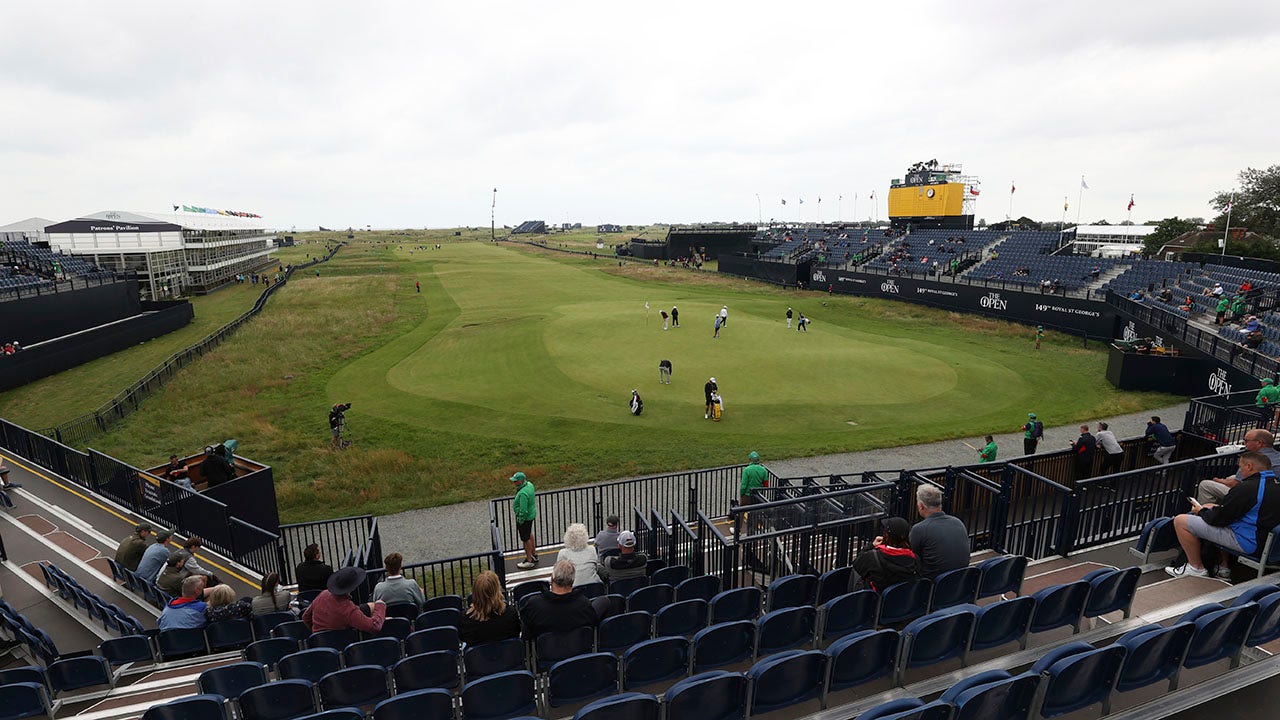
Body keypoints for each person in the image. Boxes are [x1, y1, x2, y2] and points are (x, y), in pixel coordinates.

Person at [1166, 451, 1280, 579]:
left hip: (1250, 543)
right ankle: (1223, 567)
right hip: (1272, 543)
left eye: (1240, 467)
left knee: (1181, 521)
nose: (1240, 471)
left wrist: (1201, 511)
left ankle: (1196, 568)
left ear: (1249, 466)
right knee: (1211, 507)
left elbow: (1218, 520)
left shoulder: (1246, 488)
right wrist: (1209, 509)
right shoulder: (1275, 483)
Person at [520, 560, 599, 639]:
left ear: (552, 579)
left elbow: (526, 629)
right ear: (572, 581)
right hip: (578, 645)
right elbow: (593, 622)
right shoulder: (583, 604)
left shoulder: (535, 604)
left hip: (546, 646)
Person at [1197, 429, 1280, 504]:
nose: (1244, 444)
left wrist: (1219, 480)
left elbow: (1235, 484)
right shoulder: (1278, 456)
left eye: (1246, 441)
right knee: (1231, 477)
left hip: (1252, 495)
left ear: (1259, 443)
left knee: (1205, 485)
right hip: (1272, 492)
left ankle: (1205, 512)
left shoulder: (1252, 459)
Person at [909, 485, 970, 579]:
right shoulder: (958, 522)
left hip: (933, 583)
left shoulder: (919, 529)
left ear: (921, 506)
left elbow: (909, 556)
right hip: (961, 580)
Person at [302, 566, 387, 633]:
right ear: (353, 587)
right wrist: (380, 605)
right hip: (342, 646)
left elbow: (305, 617)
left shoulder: (323, 595)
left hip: (320, 645)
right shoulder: (348, 609)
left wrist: (317, 634)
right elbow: (374, 626)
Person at [852, 517, 921, 592]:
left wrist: (871, 545)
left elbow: (857, 563)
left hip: (876, 598)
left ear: (886, 535)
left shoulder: (872, 557)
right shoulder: (915, 559)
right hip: (902, 598)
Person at [458, 570, 520, 645]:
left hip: (479, 653)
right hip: (507, 652)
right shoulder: (510, 613)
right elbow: (516, 632)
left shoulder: (466, 619)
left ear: (475, 593)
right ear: (498, 590)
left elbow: (462, 637)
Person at [512, 472, 538, 569]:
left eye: (515, 481)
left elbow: (523, 510)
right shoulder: (529, 485)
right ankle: (534, 553)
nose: (514, 482)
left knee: (525, 539)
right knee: (529, 533)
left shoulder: (523, 493)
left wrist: (521, 520)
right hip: (531, 515)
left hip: (525, 519)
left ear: (520, 481)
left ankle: (529, 560)